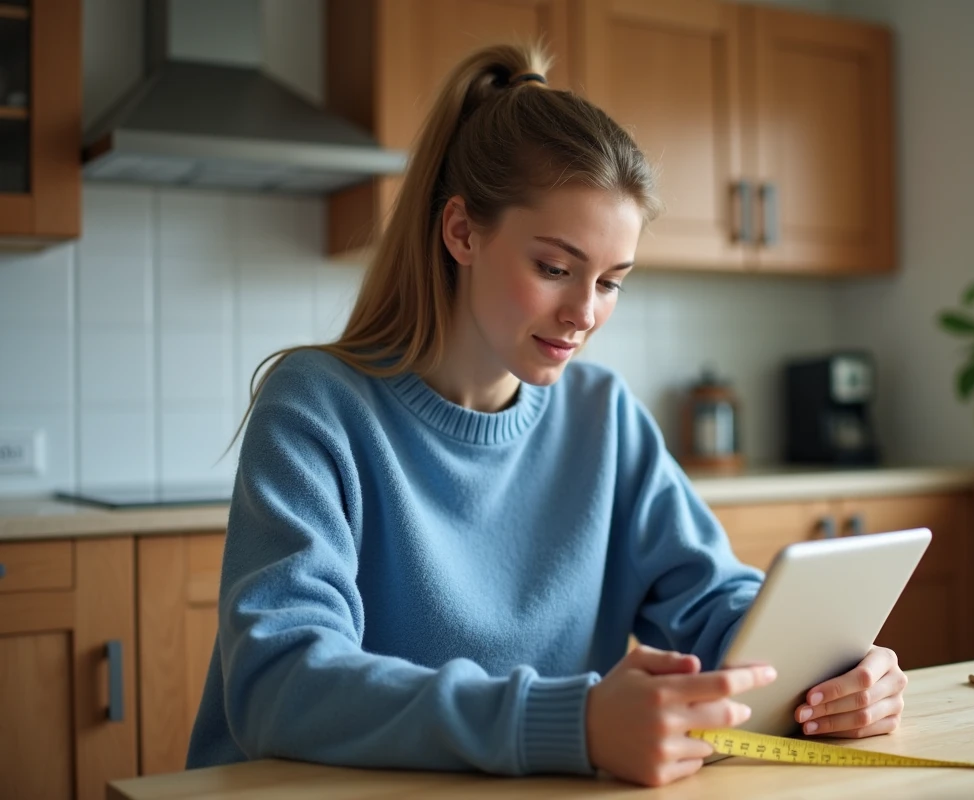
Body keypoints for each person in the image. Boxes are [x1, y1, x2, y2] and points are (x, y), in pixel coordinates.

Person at [186, 43, 908, 789]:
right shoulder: (316, 405)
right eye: (556, 269)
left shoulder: (604, 417)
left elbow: (714, 600)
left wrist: (834, 672)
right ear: (462, 231)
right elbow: (280, 687)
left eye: (611, 281)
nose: (584, 313)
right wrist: (574, 724)